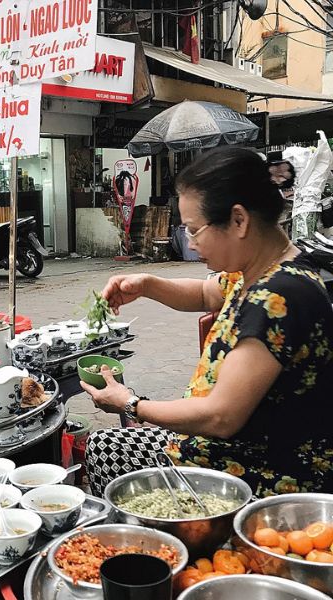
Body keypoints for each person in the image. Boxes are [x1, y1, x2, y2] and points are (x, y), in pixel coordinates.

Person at [82, 147, 333, 496]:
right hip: (222, 446)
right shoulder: (257, 272)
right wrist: (148, 285)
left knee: (107, 448)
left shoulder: (278, 297)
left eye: (194, 230)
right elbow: (204, 293)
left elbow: (221, 417)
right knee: (108, 443)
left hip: (258, 472)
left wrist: (130, 403)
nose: (190, 242)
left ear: (239, 220)